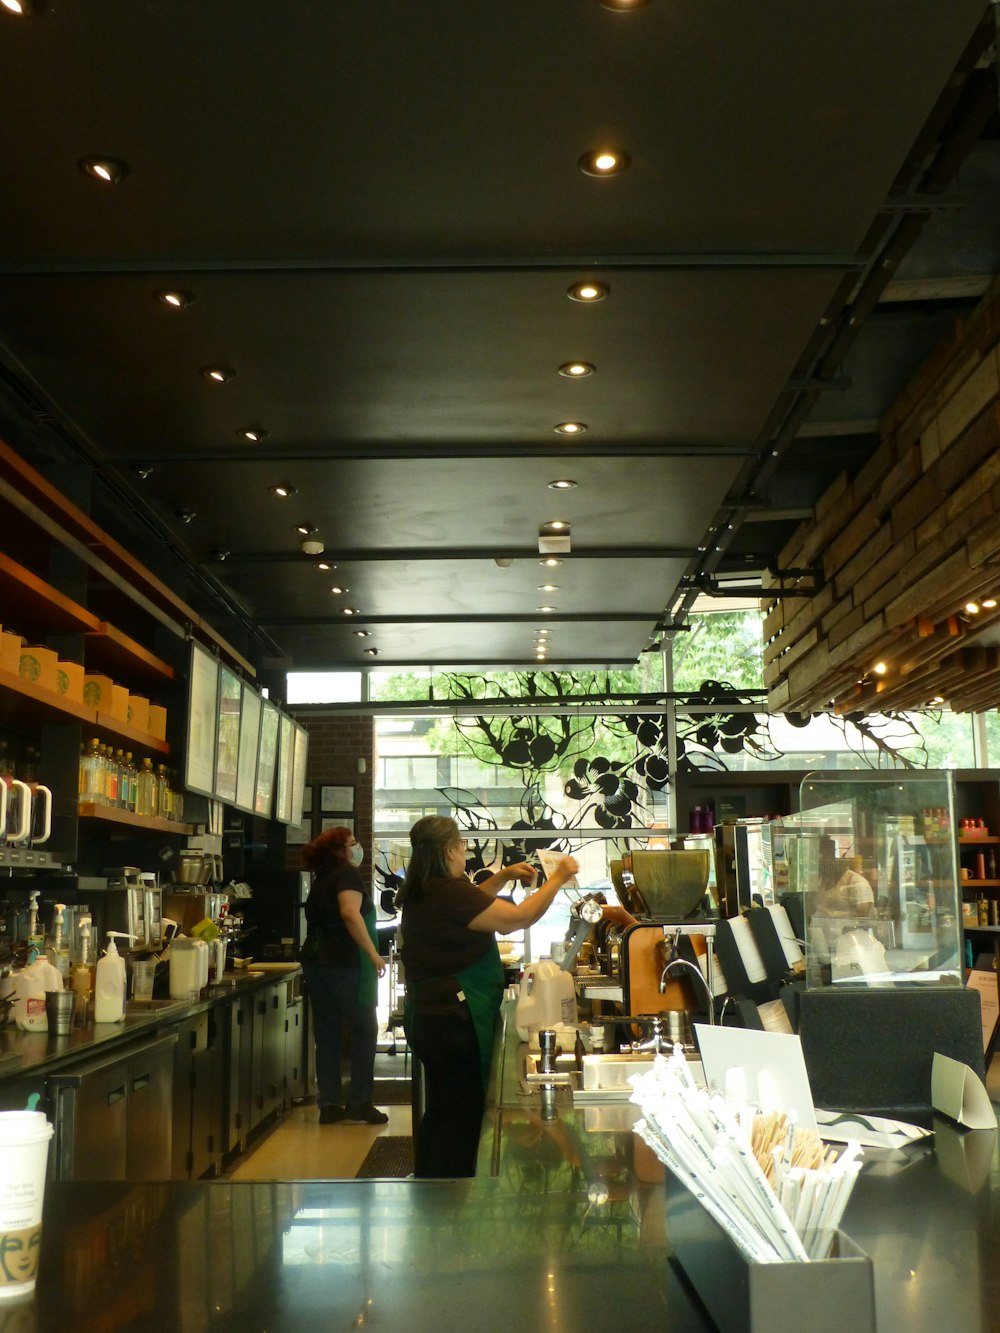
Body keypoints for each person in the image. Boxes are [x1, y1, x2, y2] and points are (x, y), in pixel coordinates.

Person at [399, 816, 578, 1178]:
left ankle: (429, 1186)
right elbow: (517, 918)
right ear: (450, 849)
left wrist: (505, 876)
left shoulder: (425, 887)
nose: (464, 849)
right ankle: (450, 1195)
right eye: (462, 843)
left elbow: (472, 905)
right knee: (461, 1114)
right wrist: (558, 878)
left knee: (442, 1108)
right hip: (454, 1019)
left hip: (428, 1016)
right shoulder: (450, 891)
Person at [300, 826, 388, 1126]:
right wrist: (373, 953)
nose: (357, 848)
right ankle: (360, 1102)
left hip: (316, 962)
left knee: (327, 1034)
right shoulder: (347, 875)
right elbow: (350, 914)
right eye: (353, 844)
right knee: (365, 1029)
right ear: (340, 851)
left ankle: (329, 1105)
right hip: (345, 963)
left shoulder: (322, 877)